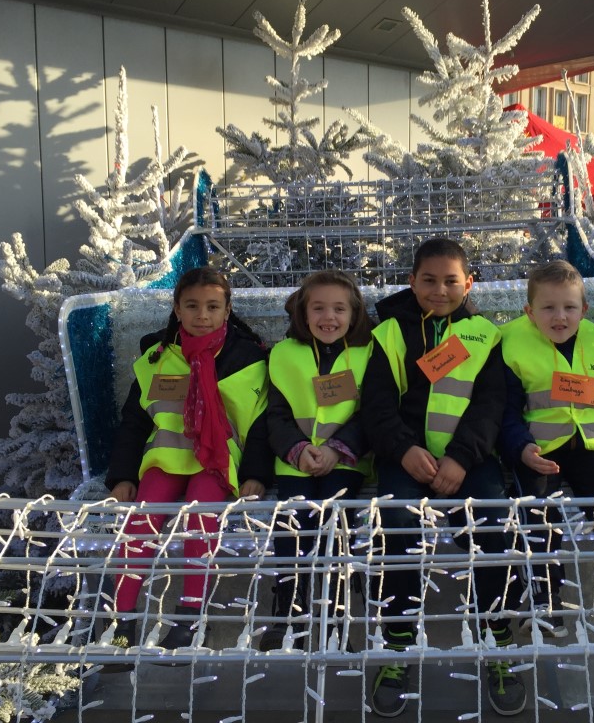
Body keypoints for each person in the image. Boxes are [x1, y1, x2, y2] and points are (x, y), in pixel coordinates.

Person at [361, 238, 525, 718]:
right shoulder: (387, 333)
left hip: (468, 461)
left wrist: (459, 458)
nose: (439, 289)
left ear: (468, 284)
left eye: (451, 280)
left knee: (492, 527)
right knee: (396, 525)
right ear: (411, 282)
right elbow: (375, 404)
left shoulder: (484, 335)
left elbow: (491, 405)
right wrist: (404, 449)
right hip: (404, 458)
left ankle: (497, 636)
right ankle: (398, 641)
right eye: (428, 280)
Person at [103, 267, 272, 654]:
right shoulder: (156, 358)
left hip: (216, 463)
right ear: (177, 310)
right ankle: (123, 622)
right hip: (165, 457)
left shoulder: (249, 359)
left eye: (213, 306)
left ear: (227, 310)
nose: (202, 315)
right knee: (139, 524)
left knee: (200, 522)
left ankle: (189, 619)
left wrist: (256, 475)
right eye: (192, 306)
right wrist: (122, 476)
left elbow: (261, 425)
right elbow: (134, 422)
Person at [498, 260, 594, 642]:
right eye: (548, 308)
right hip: (539, 449)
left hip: (592, 447)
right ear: (529, 311)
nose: (559, 317)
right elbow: (503, 409)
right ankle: (545, 600)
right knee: (535, 511)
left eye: (569, 307)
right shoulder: (510, 342)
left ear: (584, 310)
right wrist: (520, 448)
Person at [261, 271, 374, 651]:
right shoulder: (284, 354)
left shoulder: (369, 352)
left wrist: (335, 450)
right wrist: (297, 449)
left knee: (336, 524)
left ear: (354, 313)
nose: (330, 317)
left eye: (339, 308)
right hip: (294, 461)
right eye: (319, 308)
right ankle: (288, 611)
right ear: (303, 313)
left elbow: (370, 414)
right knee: (292, 525)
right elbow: (274, 415)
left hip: (345, 460)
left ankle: (336, 618)